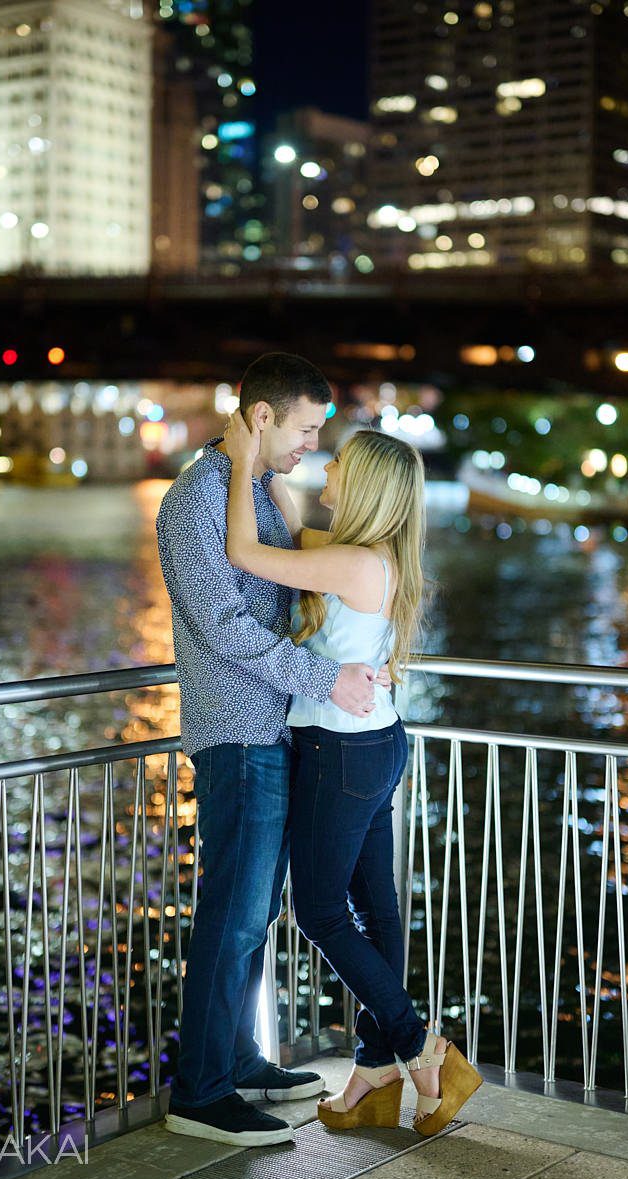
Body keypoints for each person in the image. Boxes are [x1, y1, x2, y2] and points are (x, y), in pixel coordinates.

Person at [221, 411, 483, 1137]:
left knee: (321, 912)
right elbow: (287, 528)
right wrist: (271, 477)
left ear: (363, 484)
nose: (324, 471)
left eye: (336, 465)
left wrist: (243, 462)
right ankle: (375, 1068)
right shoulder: (363, 557)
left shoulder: (352, 563)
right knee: (378, 911)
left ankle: (418, 1044)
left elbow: (244, 551)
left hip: (339, 756)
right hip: (371, 746)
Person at [156, 352, 390, 1148]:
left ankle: (240, 1058)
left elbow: (303, 587)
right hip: (237, 732)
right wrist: (326, 679)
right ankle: (200, 1093)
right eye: (304, 426)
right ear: (261, 415)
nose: (311, 442)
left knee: (251, 918)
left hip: (278, 727)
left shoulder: (251, 489)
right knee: (231, 917)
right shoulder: (193, 501)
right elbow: (224, 627)